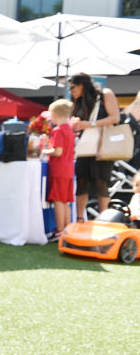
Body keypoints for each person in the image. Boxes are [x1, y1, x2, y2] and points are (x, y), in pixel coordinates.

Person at [69, 72, 120, 219]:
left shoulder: (105, 94)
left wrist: (90, 124)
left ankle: (104, 220)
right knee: (82, 182)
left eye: (73, 88)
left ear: (82, 85)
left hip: (102, 145)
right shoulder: (78, 102)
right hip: (84, 147)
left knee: (101, 183)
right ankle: (79, 220)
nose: (71, 91)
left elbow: (115, 117)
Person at [42, 99, 76, 236]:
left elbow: (58, 151)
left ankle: (60, 230)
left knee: (58, 201)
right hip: (68, 169)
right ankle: (67, 229)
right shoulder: (69, 129)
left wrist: (44, 151)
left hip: (59, 169)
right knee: (65, 201)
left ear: (55, 114)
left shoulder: (59, 130)